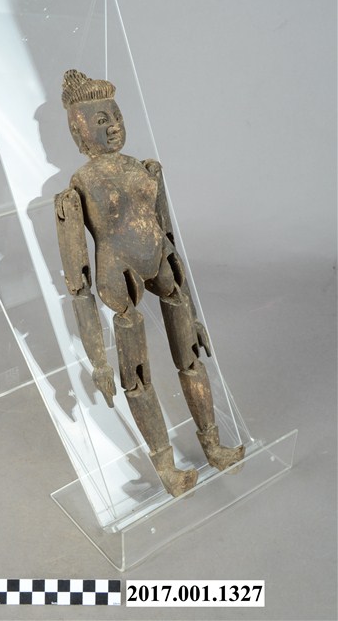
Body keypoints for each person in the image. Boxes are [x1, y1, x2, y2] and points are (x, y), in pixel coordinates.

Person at [55, 70, 244, 497]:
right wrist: (98, 360)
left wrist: (194, 316)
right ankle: (167, 469)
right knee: (137, 378)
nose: (114, 126)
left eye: (116, 116)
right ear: (79, 132)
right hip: (117, 278)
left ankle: (213, 445)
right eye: (101, 120)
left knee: (190, 359)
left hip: (162, 264)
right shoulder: (79, 186)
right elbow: (78, 281)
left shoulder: (144, 169)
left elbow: (168, 234)